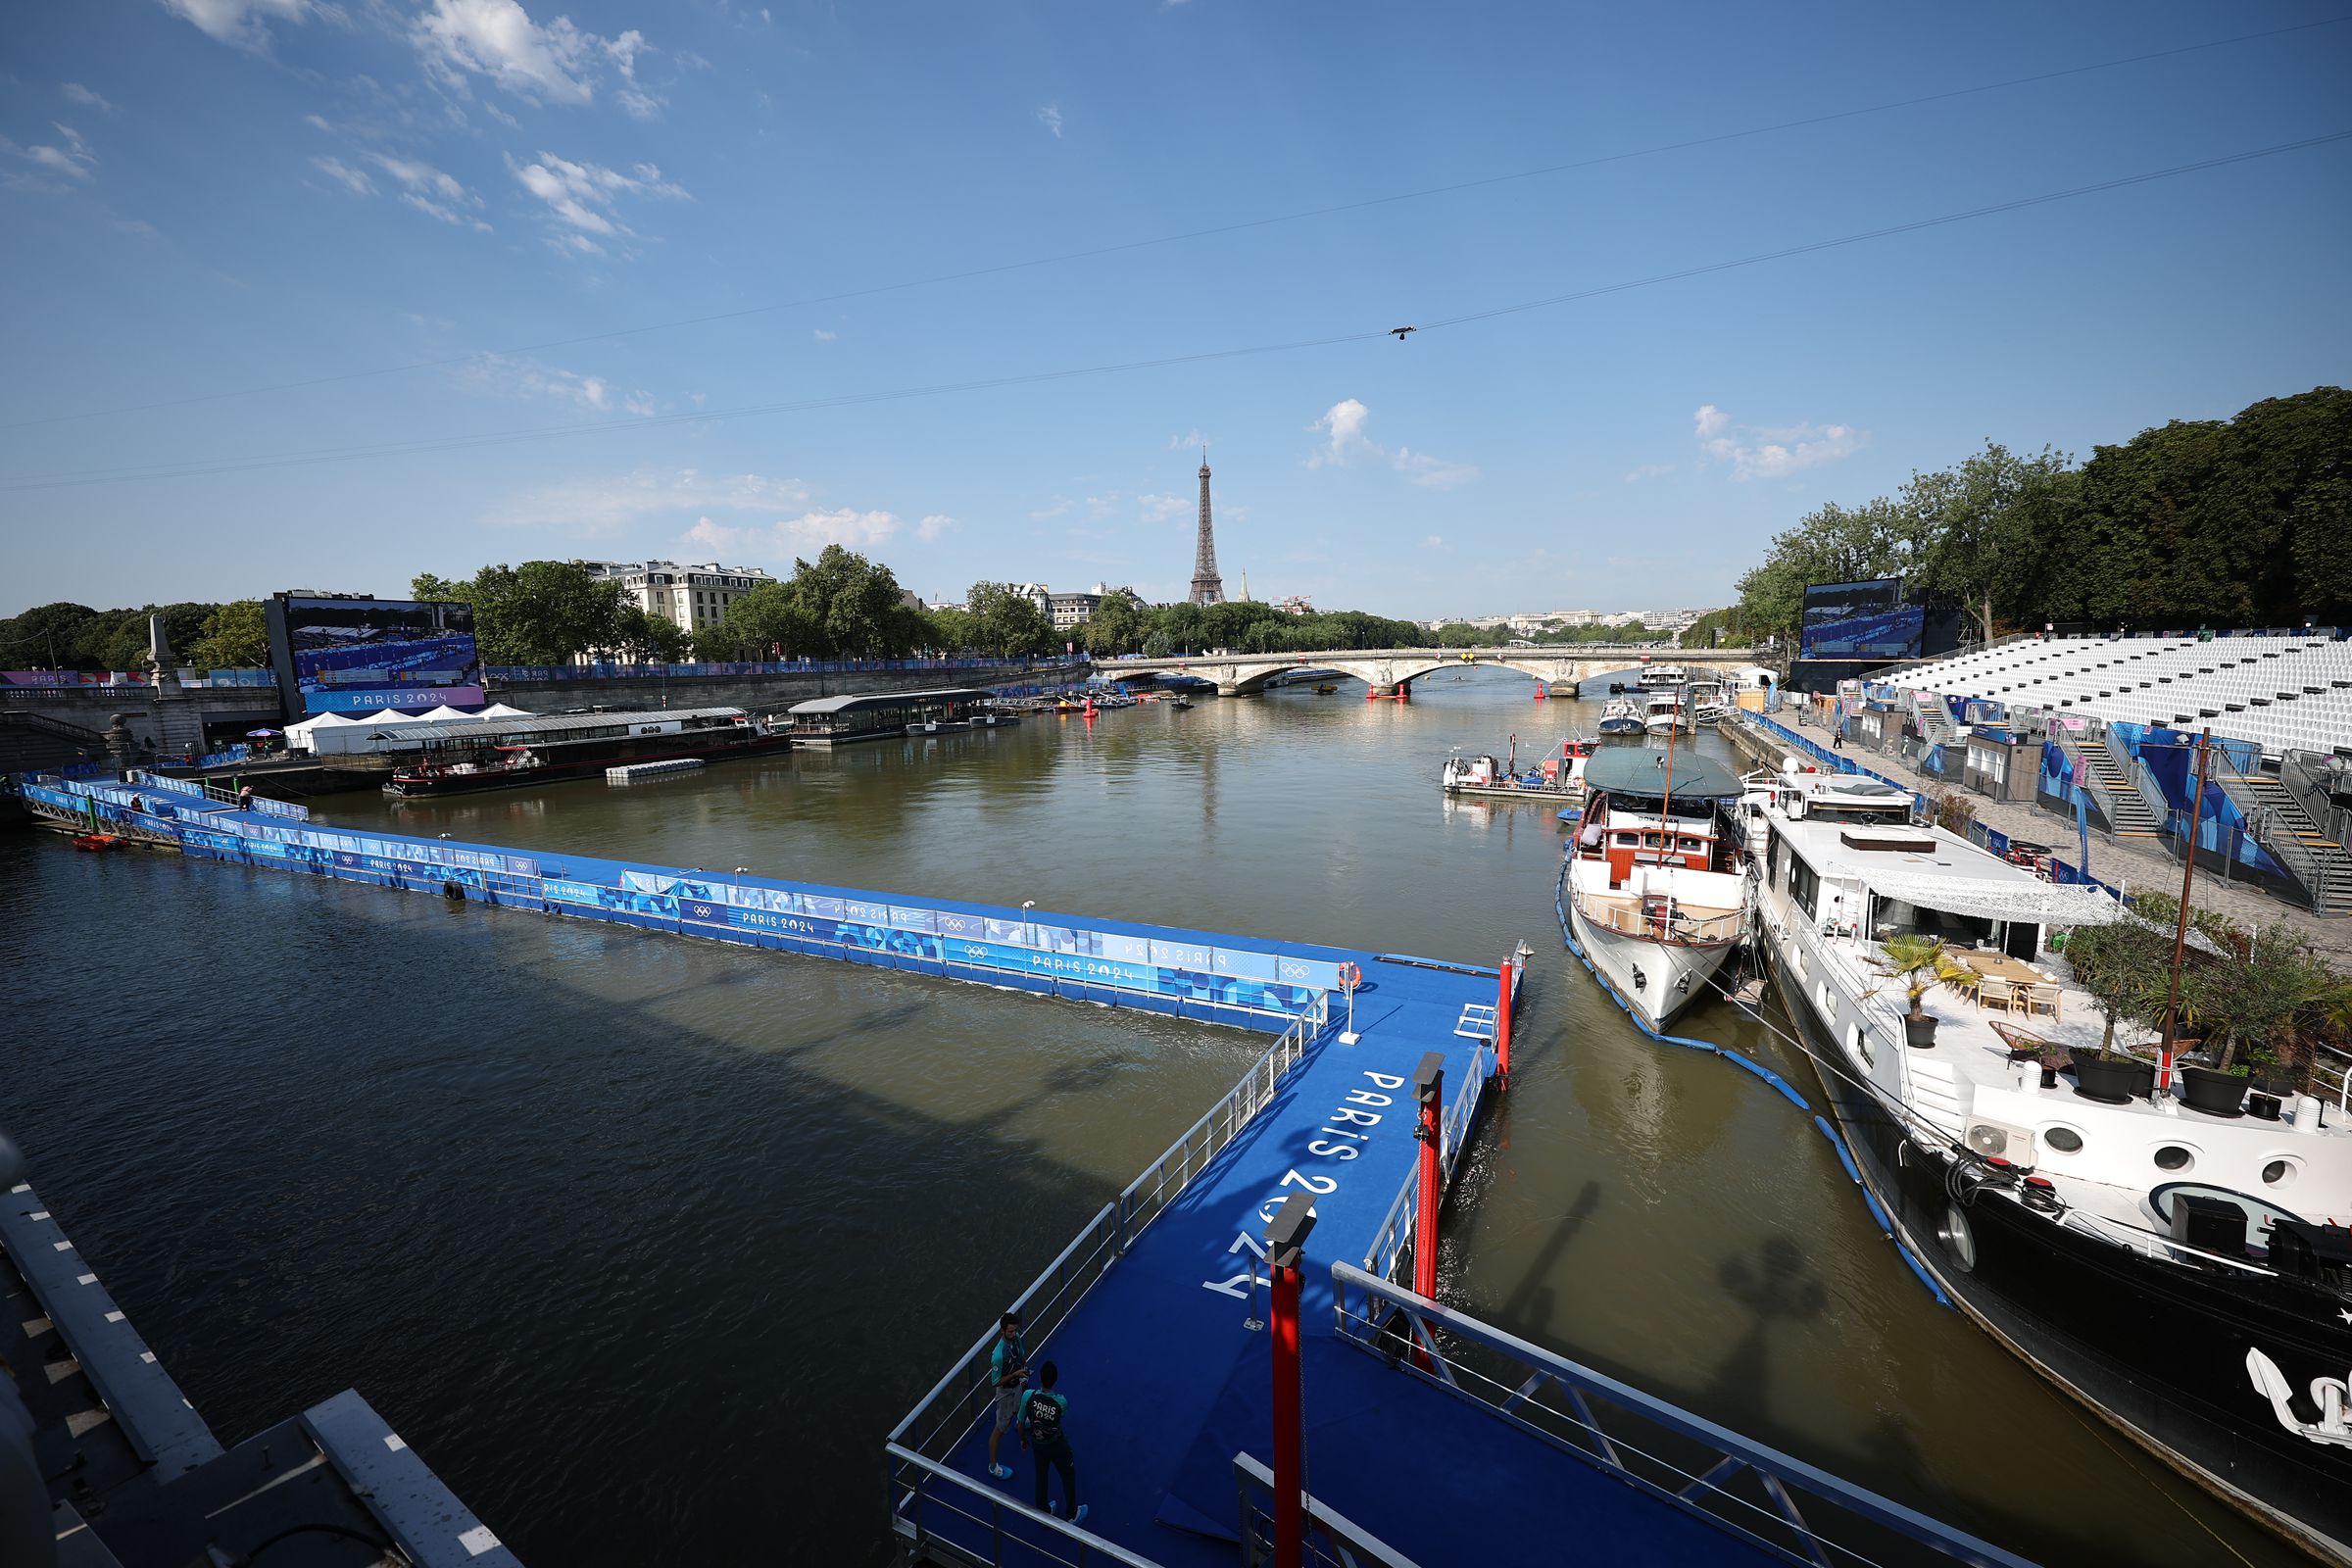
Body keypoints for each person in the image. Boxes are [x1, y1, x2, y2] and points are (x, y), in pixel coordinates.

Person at [1019, 1360, 1083, 1523]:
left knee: (1041, 1476)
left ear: (1040, 1378)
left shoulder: (1028, 1396)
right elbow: (1060, 1417)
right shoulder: (1061, 1401)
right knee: (1068, 1475)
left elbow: (1020, 1421)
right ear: (1055, 1380)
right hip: (1056, 1445)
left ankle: (1043, 1510)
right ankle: (1072, 1514)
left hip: (1037, 1443)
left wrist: (1023, 1439)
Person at [985, 1311, 1028, 1481]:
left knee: (1020, 1408)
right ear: (1002, 1331)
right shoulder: (998, 1355)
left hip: (1018, 1384)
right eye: (1010, 1331)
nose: (1014, 1334)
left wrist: (1023, 1369)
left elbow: (1021, 1355)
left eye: (1015, 1330)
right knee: (1000, 1428)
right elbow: (995, 1382)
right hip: (1005, 1392)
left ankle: (1021, 1422)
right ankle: (993, 1466)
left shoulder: (1016, 1339)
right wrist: (1015, 1374)